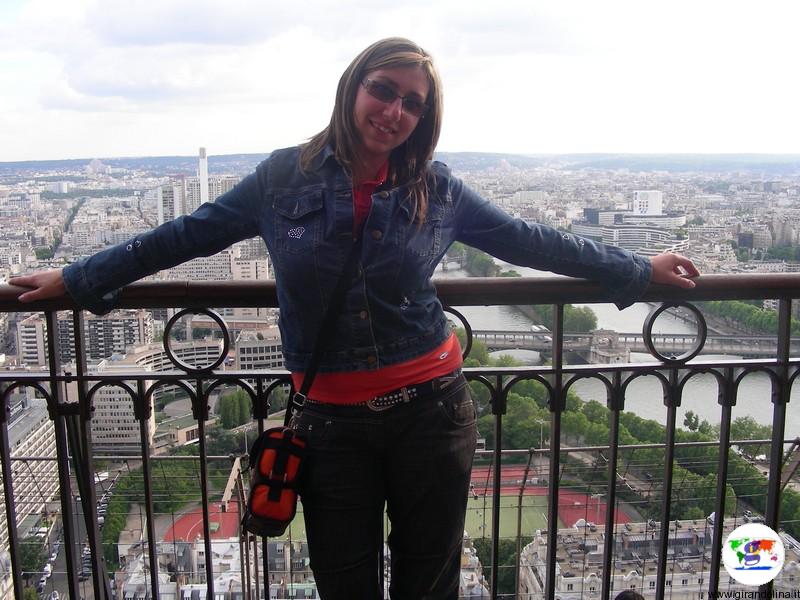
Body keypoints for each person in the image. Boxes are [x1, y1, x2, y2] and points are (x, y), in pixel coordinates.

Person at [11, 37, 699, 599]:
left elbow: (530, 241)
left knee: (427, 586)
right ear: (353, 88)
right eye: (384, 89)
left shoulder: (440, 187)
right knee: (346, 587)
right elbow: (183, 235)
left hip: (432, 412)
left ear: (423, 118)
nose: (394, 109)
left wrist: (637, 270)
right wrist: (78, 278)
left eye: (412, 102)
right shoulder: (282, 177)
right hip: (333, 427)